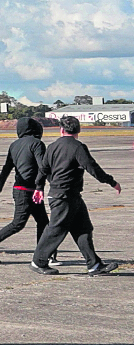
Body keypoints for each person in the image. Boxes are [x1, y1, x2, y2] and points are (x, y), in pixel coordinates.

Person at [31, 116, 121, 276]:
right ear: (78, 130)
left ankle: (94, 265)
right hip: (63, 196)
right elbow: (92, 167)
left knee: (83, 229)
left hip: (69, 196)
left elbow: (43, 169)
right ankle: (38, 261)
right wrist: (111, 181)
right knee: (56, 229)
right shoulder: (78, 147)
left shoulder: (52, 146)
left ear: (61, 130)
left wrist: (39, 187)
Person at [0, 116, 48, 264]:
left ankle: (43, 254)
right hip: (29, 191)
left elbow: (6, 168)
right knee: (18, 223)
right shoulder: (37, 144)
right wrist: (41, 187)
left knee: (43, 222)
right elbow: (43, 168)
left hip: (21, 189)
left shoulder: (14, 145)